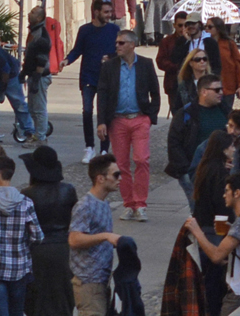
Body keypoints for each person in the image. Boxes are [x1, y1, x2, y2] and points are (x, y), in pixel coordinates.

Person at [179, 168, 240, 316]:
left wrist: (197, 231)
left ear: (237, 193)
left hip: (239, 294)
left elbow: (217, 256)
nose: (224, 195)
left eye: (227, 191)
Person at [95, 30, 161, 221]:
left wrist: (150, 116)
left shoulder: (146, 64)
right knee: (121, 164)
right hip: (118, 120)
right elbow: (103, 94)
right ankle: (129, 204)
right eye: (117, 43)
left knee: (141, 159)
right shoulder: (109, 66)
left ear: (132, 45)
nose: (117, 46)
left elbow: (155, 93)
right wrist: (101, 122)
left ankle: (141, 204)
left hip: (140, 118)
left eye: (122, 43)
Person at [0, 150, 43, 316]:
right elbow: (37, 236)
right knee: (17, 310)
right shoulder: (25, 203)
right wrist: (23, 246)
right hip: (19, 266)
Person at [17, 146, 77, 316]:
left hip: (37, 251)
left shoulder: (27, 193)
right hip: (63, 249)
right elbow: (74, 220)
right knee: (63, 298)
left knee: (37, 300)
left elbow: (23, 228)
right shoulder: (68, 190)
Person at [65, 155, 122, 316]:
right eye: (116, 175)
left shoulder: (103, 203)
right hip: (89, 280)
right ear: (100, 179)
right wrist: (105, 236)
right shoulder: (85, 205)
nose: (120, 179)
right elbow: (74, 239)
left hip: (101, 279)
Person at [65, 0, 122, 158]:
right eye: (106, 12)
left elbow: (120, 51)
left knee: (105, 113)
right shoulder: (85, 30)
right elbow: (77, 50)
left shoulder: (114, 29)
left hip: (107, 77)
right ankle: (89, 146)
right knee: (87, 111)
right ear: (96, 12)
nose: (109, 15)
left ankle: (104, 148)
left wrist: (110, 57)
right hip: (88, 75)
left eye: (110, 11)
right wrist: (66, 60)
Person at [166, 77, 229, 210]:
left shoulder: (225, 110)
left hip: (221, 171)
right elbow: (174, 142)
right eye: (217, 89)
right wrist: (185, 170)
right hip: (195, 171)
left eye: (222, 89)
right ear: (204, 92)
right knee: (198, 210)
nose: (221, 93)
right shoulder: (186, 113)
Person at [22, 9, 65, 153]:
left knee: (39, 108)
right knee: (33, 108)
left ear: (40, 17)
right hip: (33, 75)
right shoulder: (34, 32)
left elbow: (41, 59)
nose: (29, 14)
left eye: (33, 12)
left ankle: (41, 138)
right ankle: (37, 134)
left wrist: (35, 79)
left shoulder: (40, 35)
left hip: (39, 76)